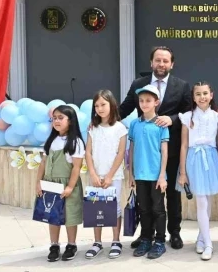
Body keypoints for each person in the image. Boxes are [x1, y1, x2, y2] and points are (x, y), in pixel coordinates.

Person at [119, 46, 191, 250]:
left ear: (172, 64)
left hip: (170, 149)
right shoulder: (138, 84)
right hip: (145, 154)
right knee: (146, 198)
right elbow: (124, 108)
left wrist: (172, 118)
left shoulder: (182, 86)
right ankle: (146, 234)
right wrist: (100, 121)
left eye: (165, 61)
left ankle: (174, 233)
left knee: (172, 196)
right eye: (158, 60)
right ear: (151, 62)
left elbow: (188, 112)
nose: (161, 64)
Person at [177, 82, 218, 261]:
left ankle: (201, 238)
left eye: (205, 93)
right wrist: (183, 172)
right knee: (201, 201)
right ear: (193, 97)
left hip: (211, 158)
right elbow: (183, 145)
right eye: (198, 94)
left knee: (208, 200)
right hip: (194, 159)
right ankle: (209, 243)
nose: (202, 97)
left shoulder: (217, 116)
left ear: (211, 95)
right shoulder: (187, 117)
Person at [35, 105, 85, 262]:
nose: (56, 121)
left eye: (61, 118)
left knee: (70, 215)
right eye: (54, 118)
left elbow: (76, 167)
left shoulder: (75, 142)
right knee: (52, 215)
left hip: (67, 184)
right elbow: (43, 163)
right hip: (50, 184)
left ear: (70, 121)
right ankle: (54, 245)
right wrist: (39, 182)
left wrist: (70, 187)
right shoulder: (51, 140)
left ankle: (71, 245)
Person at [84, 89, 128, 259]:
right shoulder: (93, 128)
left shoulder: (120, 128)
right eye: (96, 106)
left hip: (113, 176)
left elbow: (120, 153)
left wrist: (109, 176)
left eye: (103, 104)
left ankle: (116, 241)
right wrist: (93, 174)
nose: (100, 108)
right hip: (96, 175)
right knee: (96, 207)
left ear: (112, 104)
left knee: (114, 208)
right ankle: (97, 242)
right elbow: (88, 152)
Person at [129, 84, 170, 260]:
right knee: (143, 209)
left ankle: (160, 241)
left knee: (158, 209)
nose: (144, 104)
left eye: (148, 101)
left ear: (156, 102)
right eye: (141, 101)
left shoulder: (161, 124)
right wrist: (131, 174)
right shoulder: (134, 124)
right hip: (139, 175)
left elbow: (164, 151)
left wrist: (162, 176)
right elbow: (131, 149)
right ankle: (146, 238)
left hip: (156, 176)